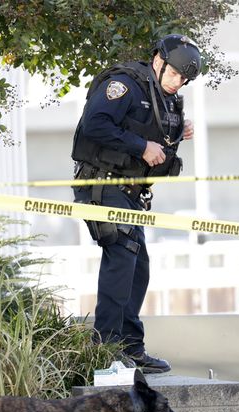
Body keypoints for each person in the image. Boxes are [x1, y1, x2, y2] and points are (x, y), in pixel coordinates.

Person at [71, 34, 202, 373]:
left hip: (129, 192)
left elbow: (151, 135)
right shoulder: (125, 85)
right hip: (102, 184)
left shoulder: (163, 97)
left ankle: (131, 348)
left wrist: (178, 130)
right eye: (175, 74)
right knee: (122, 257)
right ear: (158, 60)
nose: (178, 82)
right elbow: (95, 124)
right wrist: (142, 147)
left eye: (184, 79)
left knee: (138, 265)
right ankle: (106, 348)